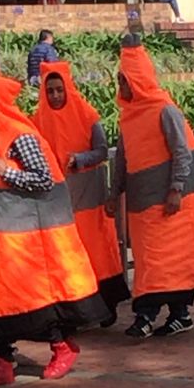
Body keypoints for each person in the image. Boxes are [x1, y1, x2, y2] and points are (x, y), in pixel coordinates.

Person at [0, 67, 109, 388]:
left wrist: (9, 174)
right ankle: (1, 361)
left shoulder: (20, 135)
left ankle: (63, 348)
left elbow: (43, 178)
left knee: (32, 302)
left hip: (21, 239)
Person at [106, 34, 194, 338]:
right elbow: (123, 162)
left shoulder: (164, 109)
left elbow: (181, 151)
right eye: (120, 81)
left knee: (171, 261)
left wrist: (176, 189)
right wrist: (114, 196)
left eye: (125, 81)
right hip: (144, 204)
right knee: (152, 262)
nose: (122, 88)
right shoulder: (129, 118)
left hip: (176, 198)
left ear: (137, 81)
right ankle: (172, 315)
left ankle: (151, 317)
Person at [34, 61, 130, 324]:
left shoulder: (88, 115)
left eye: (59, 90)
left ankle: (106, 306)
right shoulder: (37, 121)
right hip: (60, 204)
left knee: (97, 253)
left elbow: (101, 150)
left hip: (90, 199)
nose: (55, 95)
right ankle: (73, 312)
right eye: (50, 90)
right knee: (67, 259)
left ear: (68, 88)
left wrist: (80, 159)